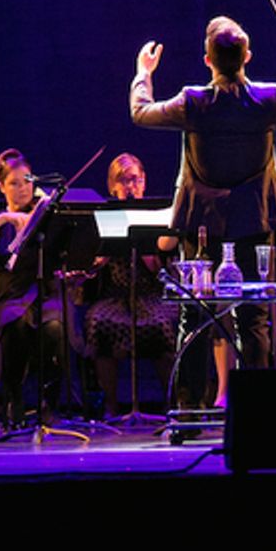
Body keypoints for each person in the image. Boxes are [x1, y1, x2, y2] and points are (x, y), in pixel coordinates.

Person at [130, 15, 276, 401]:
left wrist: (144, 72)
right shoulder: (267, 98)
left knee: (195, 315)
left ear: (207, 61)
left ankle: (190, 409)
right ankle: (256, 407)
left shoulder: (193, 101)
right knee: (254, 316)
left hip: (201, 225)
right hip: (254, 221)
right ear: (247, 56)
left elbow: (140, 112)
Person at [82, 154, 177, 415]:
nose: (130, 186)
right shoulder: (106, 215)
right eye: (123, 181)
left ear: (144, 182)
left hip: (151, 293)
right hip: (116, 294)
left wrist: (146, 247)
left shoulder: (155, 214)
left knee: (162, 325)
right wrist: (101, 256)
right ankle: (111, 405)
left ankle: (172, 402)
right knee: (98, 321)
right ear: (112, 186)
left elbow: (162, 270)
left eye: (135, 180)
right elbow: (92, 267)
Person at [0, 150, 66, 424]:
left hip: (42, 295)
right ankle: (13, 397)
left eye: (27, 180)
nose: (23, 188)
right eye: (14, 183)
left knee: (55, 328)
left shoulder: (44, 217)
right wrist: (6, 219)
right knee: (15, 324)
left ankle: (49, 403)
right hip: (8, 297)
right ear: (1, 186)